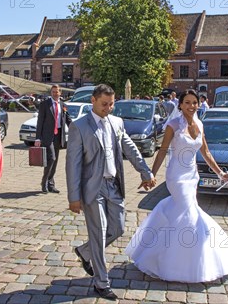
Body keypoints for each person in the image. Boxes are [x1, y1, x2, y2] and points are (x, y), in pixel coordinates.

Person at [125, 89, 228, 283]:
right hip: (176, 177)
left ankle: (166, 255)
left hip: (192, 176)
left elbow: (206, 153)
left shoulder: (200, 124)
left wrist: (221, 173)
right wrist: (151, 173)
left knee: (180, 213)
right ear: (180, 105)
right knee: (190, 215)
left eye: (194, 102)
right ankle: (183, 262)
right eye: (187, 102)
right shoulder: (173, 125)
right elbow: (162, 151)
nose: (191, 106)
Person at [66, 84, 155, 300]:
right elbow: (73, 164)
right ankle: (101, 282)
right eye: (105, 104)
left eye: (112, 104)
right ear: (93, 101)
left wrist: (146, 171)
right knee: (99, 231)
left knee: (118, 228)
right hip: (91, 188)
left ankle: (85, 252)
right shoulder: (79, 127)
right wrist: (74, 197)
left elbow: (130, 148)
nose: (109, 108)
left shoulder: (117, 123)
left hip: (113, 185)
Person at [35, 84, 71, 193]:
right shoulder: (45, 104)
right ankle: (44, 182)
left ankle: (51, 185)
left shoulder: (63, 105)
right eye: (53, 91)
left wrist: (77, 129)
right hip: (47, 136)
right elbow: (40, 121)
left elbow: (68, 119)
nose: (55, 93)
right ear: (51, 92)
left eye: (57, 92)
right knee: (51, 158)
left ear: (60, 93)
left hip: (58, 136)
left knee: (55, 161)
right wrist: (38, 138)